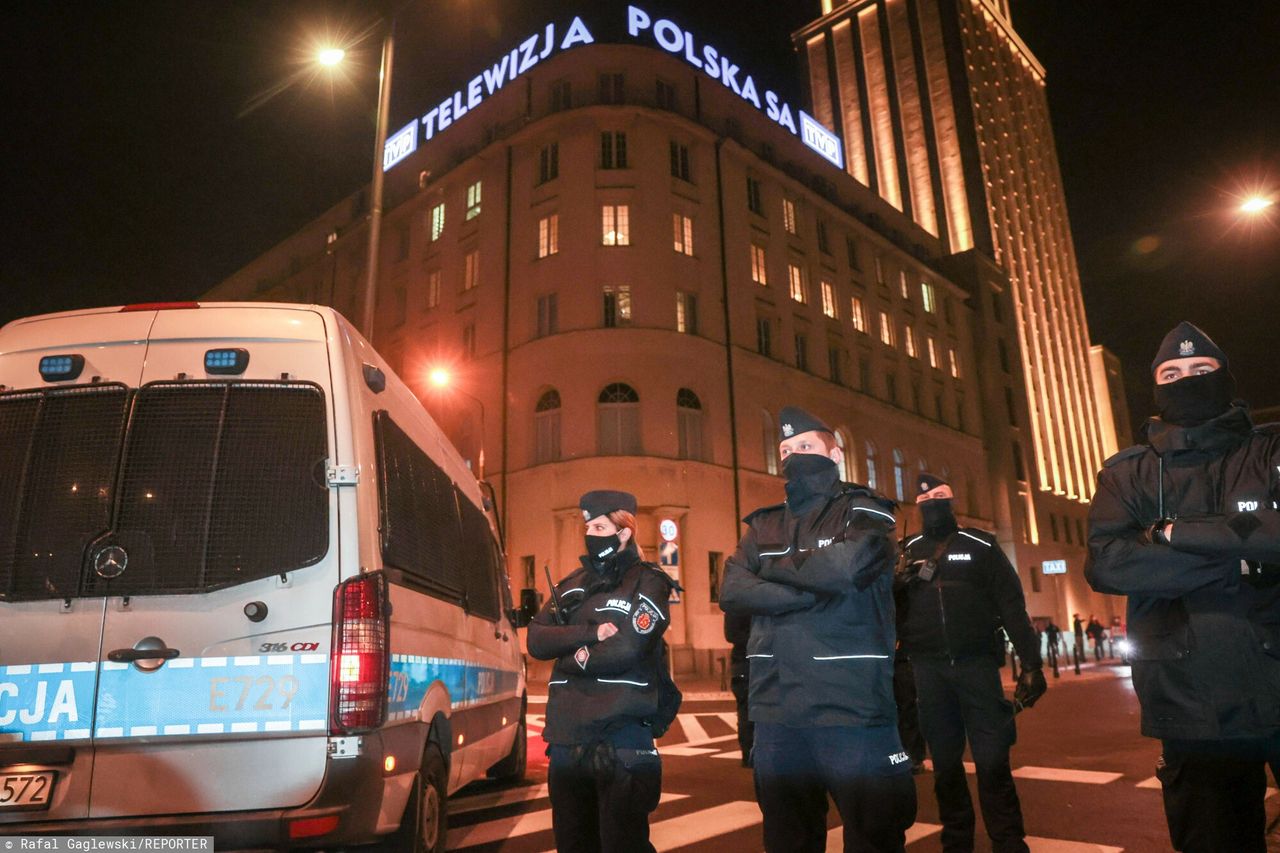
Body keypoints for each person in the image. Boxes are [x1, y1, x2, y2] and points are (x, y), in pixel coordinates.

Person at [1085, 321, 1280, 853]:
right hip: (1189, 699)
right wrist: (1238, 563)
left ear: (1225, 376)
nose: (1185, 379)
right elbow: (1109, 563)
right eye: (1171, 373)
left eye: (1200, 370)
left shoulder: (1270, 451)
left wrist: (1175, 535)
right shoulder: (1127, 474)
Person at [719, 406, 916, 852]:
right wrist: (810, 590)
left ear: (836, 453)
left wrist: (769, 574)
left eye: (805, 446)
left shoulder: (865, 510)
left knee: (875, 834)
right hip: (777, 709)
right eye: (786, 449)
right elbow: (732, 589)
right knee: (788, 837)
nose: (793, 455)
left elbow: (847, 568)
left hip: (850, 706)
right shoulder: (763, 523)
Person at [896, 473, 1047, 853]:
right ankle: (956, 842)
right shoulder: (905, 550)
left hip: (977, 666)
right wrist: (896, 583)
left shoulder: (981, 544)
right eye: (927, 500)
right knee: (945, 766)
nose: (934, 505)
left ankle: (1009, 842)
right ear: (918, 507)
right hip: (928, 670)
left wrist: (1031, 663)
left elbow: (1012, 605)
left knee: (993, 761)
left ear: (952, 502)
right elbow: (889, 613)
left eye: (941, 497)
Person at [527, 490, 681, 853]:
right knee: (573, 845)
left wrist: (568, 653)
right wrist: (590, 634)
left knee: (623, 845)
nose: (591, 533)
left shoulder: (649, 581)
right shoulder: (571, 584)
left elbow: (628, 648)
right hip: (567, 742)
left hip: (621, 740)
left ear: (624, 531)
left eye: (599, 525)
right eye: (588, 526)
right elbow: (536, 639)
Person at [724, 611, 755, 766]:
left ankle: (748, 753)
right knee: (747, 711)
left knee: (746, 711)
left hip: (742, 664)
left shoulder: (735, 602)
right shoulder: (743, 602)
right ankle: (749, 753)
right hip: (746, 663)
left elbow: (731, 634)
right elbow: (732, 634)